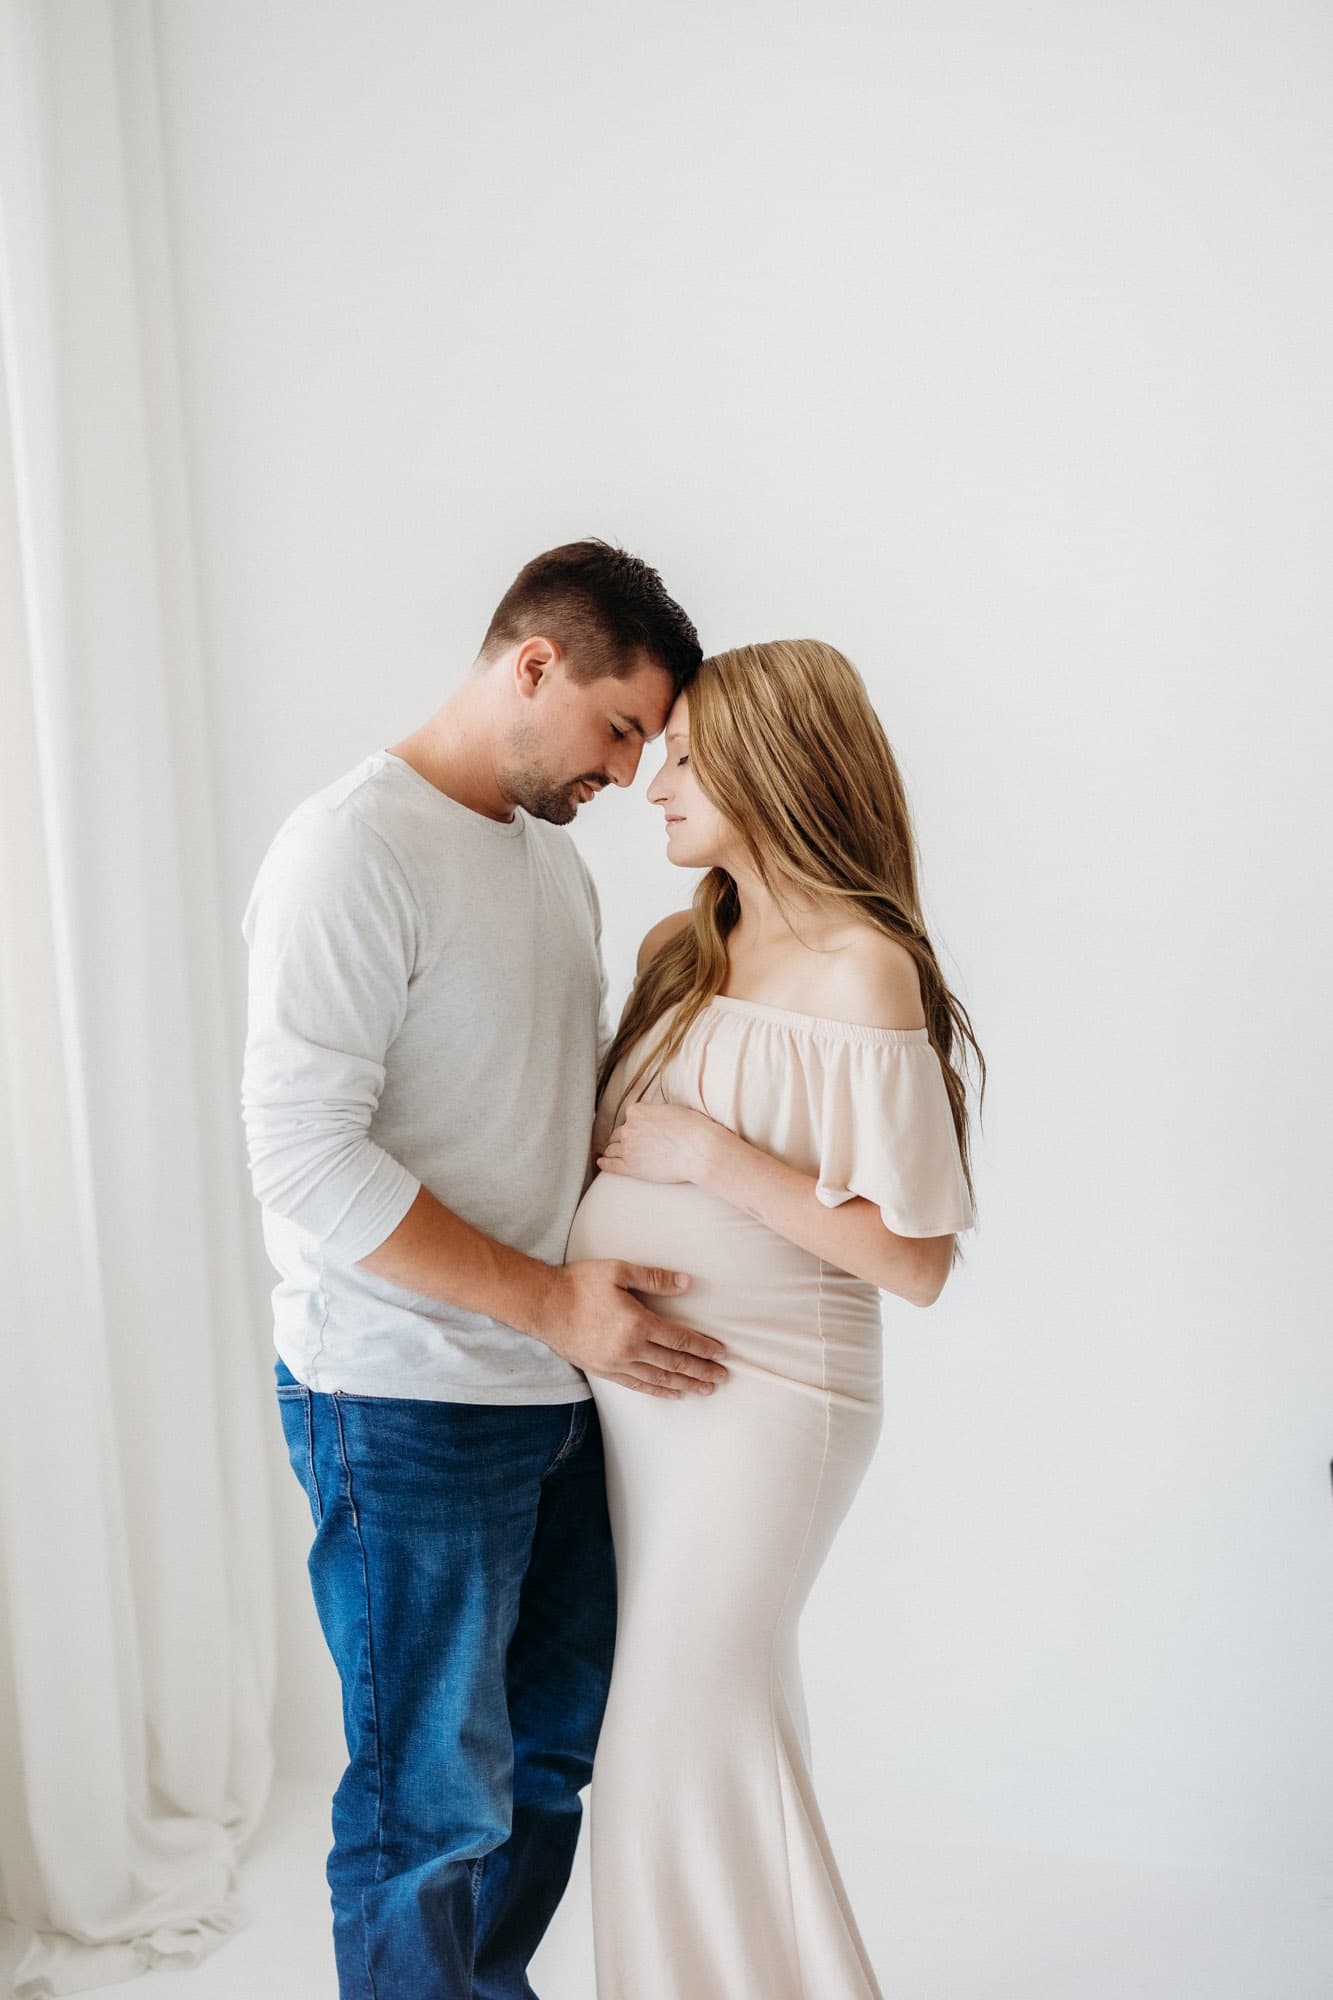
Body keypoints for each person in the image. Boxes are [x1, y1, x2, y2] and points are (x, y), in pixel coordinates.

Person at [239, 539, 729, 2000]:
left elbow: (540, 1114)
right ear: (531, 664)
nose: (633, 773)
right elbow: (303, 1159)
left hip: (545, 1390)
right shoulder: (350, 848)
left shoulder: (545, 869)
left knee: (547, 1763)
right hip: (400, 1400)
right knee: (427, 1810)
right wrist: (552, 1305)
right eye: (619, 727)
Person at [564, 638, 984, 2000]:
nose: (652, 785)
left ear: (775, 767)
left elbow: (914, 1260)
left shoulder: (863, 972)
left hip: (767, 1401)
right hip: (637, 1398)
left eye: (683, 758)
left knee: (675, 1733)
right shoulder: (682, 948)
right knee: (685, 1732)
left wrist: (713, 1164)